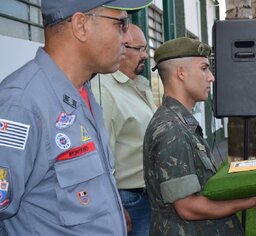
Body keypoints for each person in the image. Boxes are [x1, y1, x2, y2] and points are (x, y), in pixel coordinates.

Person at [0, 0, 152, 235]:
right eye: (121, 24)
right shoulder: (22, 105)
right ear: (81, 26)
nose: (126, 39)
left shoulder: (82, 94)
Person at [143, 37, 256, 235]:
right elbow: (188, 207)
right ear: (181, 73)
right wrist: (255, 199)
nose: (211, 77)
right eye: (204, 68)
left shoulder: (180, 122)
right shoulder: (171, 128)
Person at [91, 23, 156, 236]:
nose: (145, 55)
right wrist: (115, 206)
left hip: (147, 195)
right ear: (122, 48)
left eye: (146, 49)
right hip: (128, 200)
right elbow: (101, 152)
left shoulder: (137, 85)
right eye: (140, 49)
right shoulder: (105, 90)